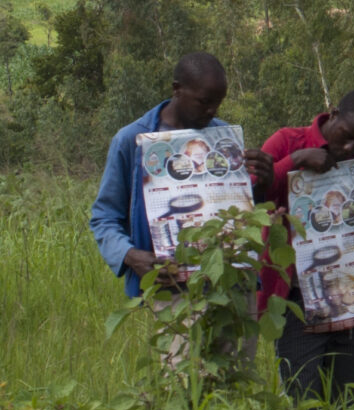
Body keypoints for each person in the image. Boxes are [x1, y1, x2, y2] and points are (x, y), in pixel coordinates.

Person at [88, 52, 276, 370]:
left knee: (236, 381)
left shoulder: (224, 141)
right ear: (177, 89)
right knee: (182, 381)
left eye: (219, 102)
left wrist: (260, 185)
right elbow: (104, 217)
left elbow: (238, 214)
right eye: (204, 101)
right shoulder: (131, 142)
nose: (212, 110)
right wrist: (130, 255)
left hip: (232, 285)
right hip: (174, 288)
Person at [259, 88, 354, 407]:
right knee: (303, 399)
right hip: (297, 295)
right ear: (333, 114)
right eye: (345, 136)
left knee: (347, 400)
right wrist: (297, 161)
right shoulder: (287, 143)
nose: (348, 148)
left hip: (347, 296)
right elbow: (252, 191)